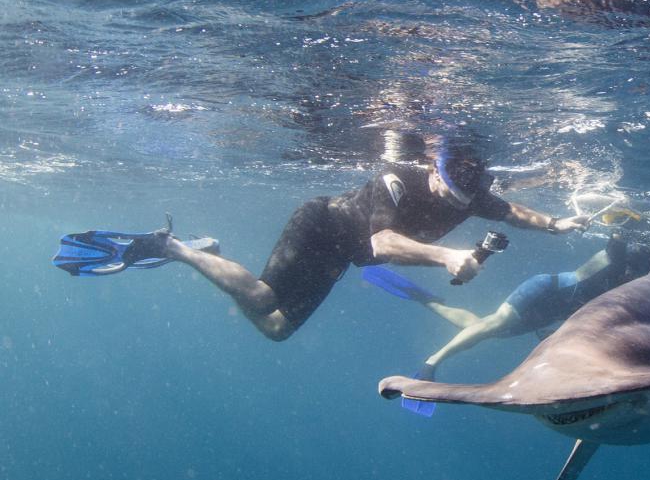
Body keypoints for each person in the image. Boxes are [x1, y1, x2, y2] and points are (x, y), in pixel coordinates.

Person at [150, 142, 589, 341]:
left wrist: (556, 224)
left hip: (342, 254)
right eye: (448, 189)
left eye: (465, 197)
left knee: (278, 329)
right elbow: (381, 244)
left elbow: (511, 211)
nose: (453, 202)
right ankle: (177, 249)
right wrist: (447, 256)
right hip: (319, 225)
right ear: (435, 169)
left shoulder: (470, 195)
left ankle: (215, 262)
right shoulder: (395, 178)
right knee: (263, 297)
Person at [364, 234, 650, 380]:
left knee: (484, 327)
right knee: (491, 326)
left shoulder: (626, 286)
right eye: (636, 274)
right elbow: (617, 240)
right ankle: (432, 361)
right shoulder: (617, 258)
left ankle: (423, 298)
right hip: (545, 290)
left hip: (552, 310)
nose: (635, 281)